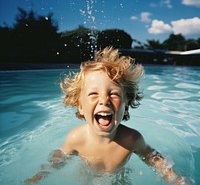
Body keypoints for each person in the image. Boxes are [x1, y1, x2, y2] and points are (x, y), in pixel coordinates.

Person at [25, 47, 185, 184]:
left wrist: (176, 179)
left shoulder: (131, 139)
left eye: (114, 94)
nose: (104, 100)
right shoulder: (76, 138)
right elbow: (57, 159)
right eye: (93, 93)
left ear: (126, 105)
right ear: (80, 106)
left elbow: (154, 159)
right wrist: (38, 177)